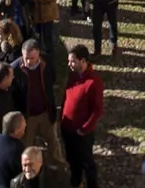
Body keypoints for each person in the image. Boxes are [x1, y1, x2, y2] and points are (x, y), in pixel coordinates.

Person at [11, 40, 65, 166]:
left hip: (45, 112)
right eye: (26, 58)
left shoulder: (47, 63)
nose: (29, 61)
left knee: (53, 143)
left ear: (38, 54)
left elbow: (52, 80)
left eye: (32, 58)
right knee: (26, 146)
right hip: (27, 116)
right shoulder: (15, 69)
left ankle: (59, 169)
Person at [61, 45, 103, 188]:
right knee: (72, 161)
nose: (69, 64)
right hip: (68, 130)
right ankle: (76, 183)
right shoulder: (72, 76)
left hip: (82, 134)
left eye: (72, 61)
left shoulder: (93, 82)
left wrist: (83, 129)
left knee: (87, 163)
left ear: (83, 61)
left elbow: (97, 110)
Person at [0, 112, 26, 188]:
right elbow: (22, 176)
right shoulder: (17, 149)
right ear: (16, 130)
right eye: (23, 127)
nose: (25, 127)